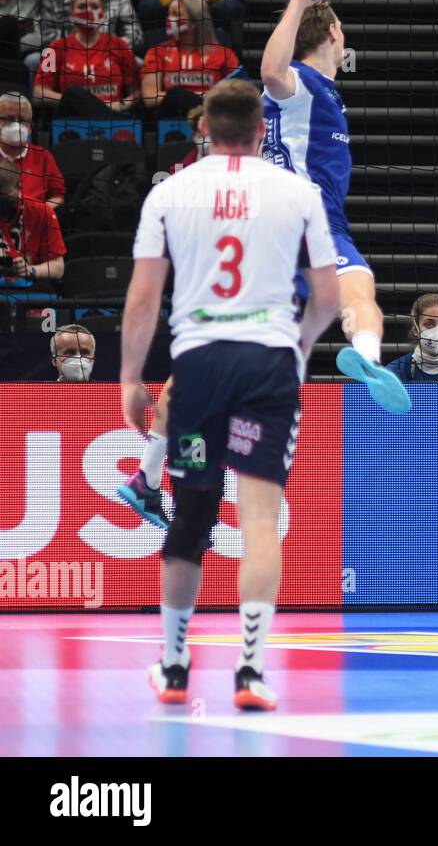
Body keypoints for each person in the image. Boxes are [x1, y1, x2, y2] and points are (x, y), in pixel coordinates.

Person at [120, 79, 340, 711]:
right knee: (259, 520)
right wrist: (292, 353)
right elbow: (326, 298)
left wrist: (132, 378)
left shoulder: (172, 192)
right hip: (267, 361)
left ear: (205, 132)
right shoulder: (298, 192)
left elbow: (142, 300)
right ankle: (249, 672)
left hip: (200, 364)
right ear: (262, 132)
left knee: (191, 515)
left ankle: (174, 664)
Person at [261, 0, 410, 413]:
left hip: (311, 227)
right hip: (301, 223)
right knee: (358, 295)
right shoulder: (300, 83)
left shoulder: (323, 92)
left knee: (361, 295)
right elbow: (270, 72)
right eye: (341, 28)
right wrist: (296, 2)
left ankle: (367, 360)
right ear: (332, 36)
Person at [33, 0, 140, 117]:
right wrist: (79, 102)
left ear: (103, 14)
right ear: (71, 15)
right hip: (72, 117)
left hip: (111, 117)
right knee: (75, 94)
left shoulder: (121, 46)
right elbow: (39, 92)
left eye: (94, 7)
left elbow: (136, 92)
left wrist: (122, 104)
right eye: (82, 6)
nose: (88, 11)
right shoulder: (54, 48)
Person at [140, 0, 239, 114]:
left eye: (176, 14)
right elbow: (150, 97)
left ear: (195, 21)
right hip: (171, 118)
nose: (170, 19)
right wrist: (181, 98)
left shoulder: (224, 54)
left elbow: (237, 94)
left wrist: (197, 100)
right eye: (169, 14)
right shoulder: (157, 52)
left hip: (212, 117)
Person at [0, 152, 64, 283]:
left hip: (29, 291)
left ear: (19, 187)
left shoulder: (41, 212)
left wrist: (30, 270)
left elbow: (58, 268)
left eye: (4, 197)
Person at [0, 91, 64, 212]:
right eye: (9, 118)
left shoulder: (43, 156)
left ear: (30, 127)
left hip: (35, 224)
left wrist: (39, 213)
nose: (16, 125)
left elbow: (58, 196)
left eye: (22, 120)